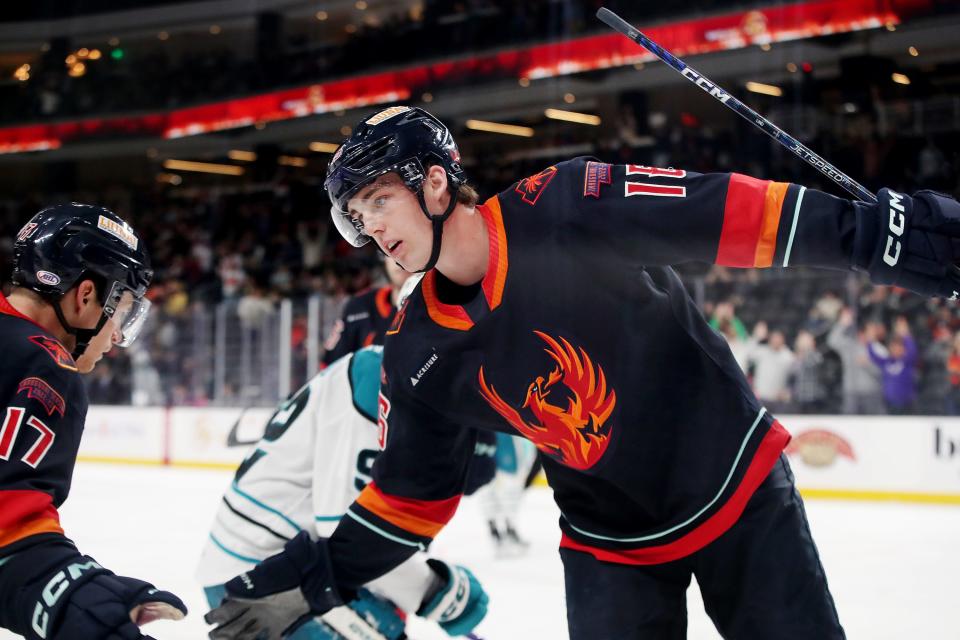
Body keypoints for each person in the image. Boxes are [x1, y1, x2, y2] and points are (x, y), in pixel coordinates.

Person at [208, 105, 960, 640]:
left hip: (733, 491)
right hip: (609, 544)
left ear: (436, 182)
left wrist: (874, 238)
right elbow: (410, 499)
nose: (369, 227)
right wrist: (320, 576)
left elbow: (723, 215)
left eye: (378, 200)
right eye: (355, 215)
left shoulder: (563, 207)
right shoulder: (415, 354)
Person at [197, 343, 489, 639]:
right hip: (267, 578)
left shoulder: (402, 373)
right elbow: (349, 532)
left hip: (277, 565)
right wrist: (439, 592)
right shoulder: (378, 380)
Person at [0, 204, 187, 639]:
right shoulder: (42, 364)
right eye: (120, 311)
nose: (117, 336)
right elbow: (9, 530)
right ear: (86, 295)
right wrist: (78, 599)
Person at [321, 255, 413, 367]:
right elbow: (330, 368)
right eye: (392, 247)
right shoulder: (358, 306)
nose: (399, 258)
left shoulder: (436, 304)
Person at [867, 316, 919, 414]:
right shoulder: (886, 361)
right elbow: (873, 355)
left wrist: (905, 334)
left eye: (899, 347)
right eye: (893, 347)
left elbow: (912, 350)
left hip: (907, 403)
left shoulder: (907, 361)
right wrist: (870, 339)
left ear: (903, 349)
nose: (896, 349)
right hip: (889, 403)